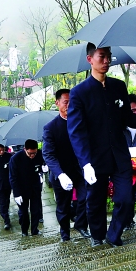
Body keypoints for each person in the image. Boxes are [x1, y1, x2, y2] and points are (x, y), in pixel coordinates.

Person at [67, 43, 136, 247]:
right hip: (95, 157)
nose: (106, 61)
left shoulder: (118, 87)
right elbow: (76, 132)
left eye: (109, 56)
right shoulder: (79, 93)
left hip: (119, 155)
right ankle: (98, 236)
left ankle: (114, 234)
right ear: (90, 59)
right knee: (95, 201)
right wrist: (85, 163)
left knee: (126, 199)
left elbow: (128, 118)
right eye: (102, 56)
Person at [42, 89, 90, 242]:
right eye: (66, 102)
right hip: (61, 172)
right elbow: (48, 154)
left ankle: (81, 225)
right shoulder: (50, 128)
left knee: (85, 197)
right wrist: (60, 174)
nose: (69, 105)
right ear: (57, 103)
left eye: (72, 102)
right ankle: (65, 233)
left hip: (80, 169)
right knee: (63, 205)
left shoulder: (81, 121)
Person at [9, 139, 44, 237]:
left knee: (36, 210)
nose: (32, 155)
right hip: (22, 189)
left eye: (34, 153)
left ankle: (34, 229)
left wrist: (43, 169)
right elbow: (13, 177)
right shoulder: (16, 159)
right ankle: (24, 230)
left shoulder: (40, 154)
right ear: (25, 149)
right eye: (30, 153)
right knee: (24, 212)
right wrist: (16, 194)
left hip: (35, 187)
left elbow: (41, 165)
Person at [122, 93, 136, 230]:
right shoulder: (121, 127)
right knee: (125, 192)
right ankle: (124, 219)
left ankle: (130, 219)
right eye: (133, 110)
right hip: (123, 165)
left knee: (133, 192)